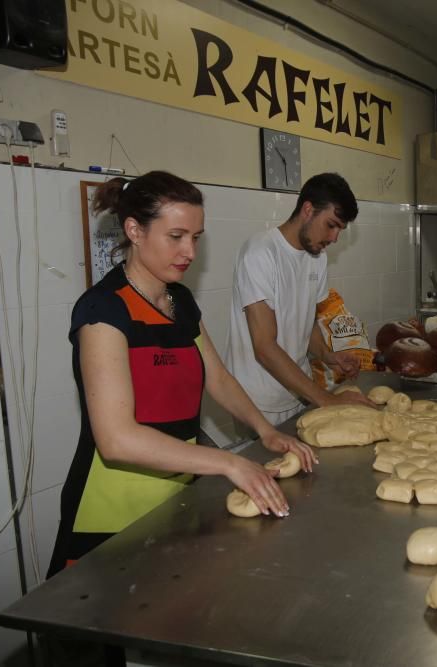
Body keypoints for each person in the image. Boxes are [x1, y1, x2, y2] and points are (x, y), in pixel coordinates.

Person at [48, 171, 316, 578]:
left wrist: (266, 431)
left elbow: (218, 379)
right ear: (134, 230)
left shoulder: (180, 301)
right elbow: (116, 439)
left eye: (196, 237)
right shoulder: (103, 310)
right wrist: (228, 463)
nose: (189, 251)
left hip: (174, 498)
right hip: (113, 511)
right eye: (176, 236)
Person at [225, 172, 375, 427]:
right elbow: (264, 348)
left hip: (297, 393)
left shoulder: (317, 257)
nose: (334, 238)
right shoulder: (261, 253)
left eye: (340, 229)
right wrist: (326, 400)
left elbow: (306, 323)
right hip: (259, 403)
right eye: (331, 225)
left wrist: (328, 356)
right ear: (308, 210)